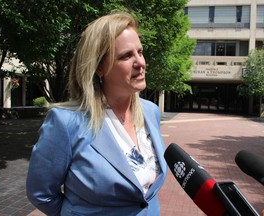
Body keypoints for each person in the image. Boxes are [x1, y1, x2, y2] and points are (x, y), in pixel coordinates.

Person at [26, 11, 168, 216]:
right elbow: (41, 193)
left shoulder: (150, 111)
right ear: (100, 67)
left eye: (140, 52)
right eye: (126, 56)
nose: (141, 63)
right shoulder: (66, 122)